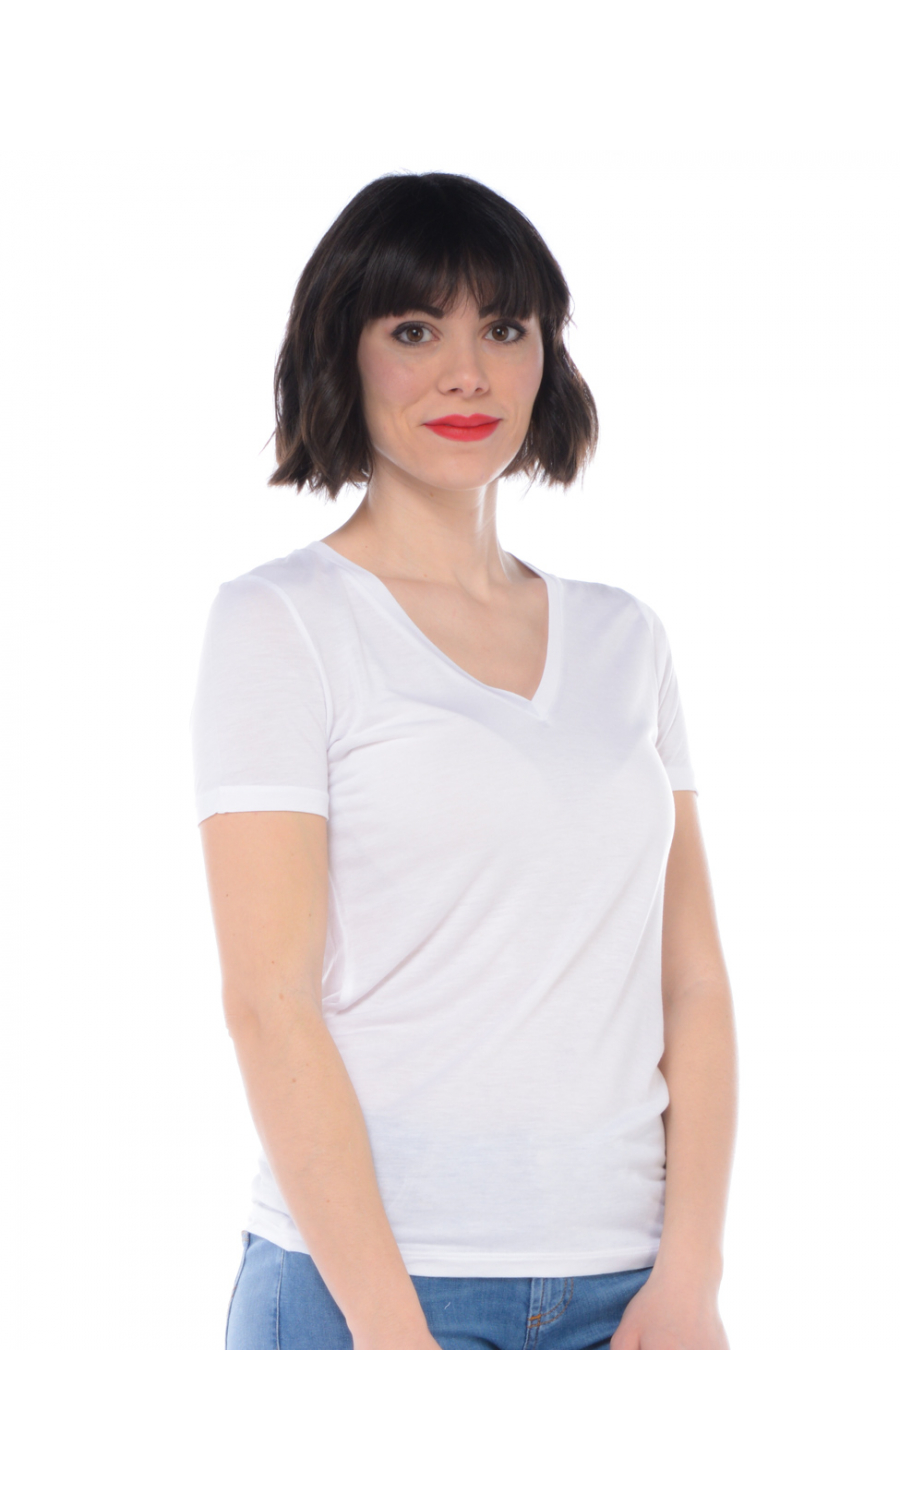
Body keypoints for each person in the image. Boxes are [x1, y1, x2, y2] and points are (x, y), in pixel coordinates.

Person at [191, 171, 738, 1350]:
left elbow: (691, 981)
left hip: (630, 1295)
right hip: (367, 1296)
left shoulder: (626, 638)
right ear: (343, 355)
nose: (467, 374)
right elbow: (267, 1002)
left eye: (502, 328)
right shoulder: (281, 623)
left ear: (547, 356)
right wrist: (392, 1335)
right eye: (413, 331)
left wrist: (690, 1272)